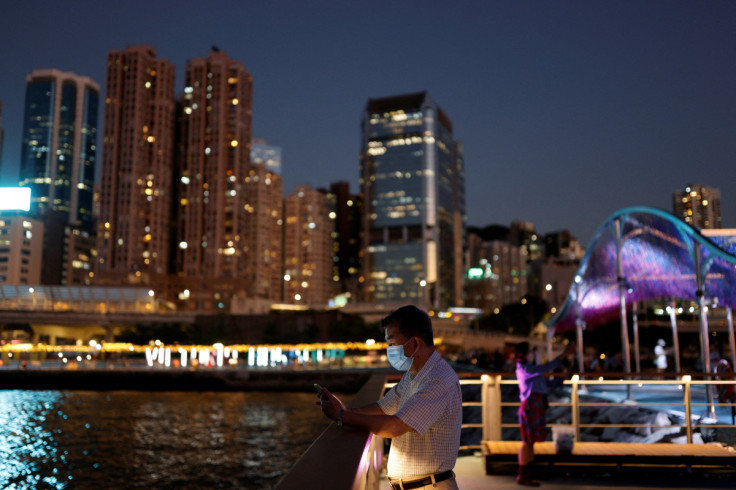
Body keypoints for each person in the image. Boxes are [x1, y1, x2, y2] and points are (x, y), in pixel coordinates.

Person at [316, 305, 462, 490]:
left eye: (391, 344)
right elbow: (383, 407)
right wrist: (344, 410)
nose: (389, 349)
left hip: (429, 486)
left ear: (414, 344)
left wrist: (342, 417)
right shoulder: (413, 375)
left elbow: (395, 426)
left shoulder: (439, 379)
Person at [514, 340, 575, 486]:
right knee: (527, 442)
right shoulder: (525, 368)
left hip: (535, 407)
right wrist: (564, 354)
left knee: (530, 442)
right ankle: (523, 475)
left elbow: (545, 383)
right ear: (524, 353)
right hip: (531, 408)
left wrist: (562, 379)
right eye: (530, 351)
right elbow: (546, 368)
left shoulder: (529, 369)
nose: (533, 353)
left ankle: (526, 474)